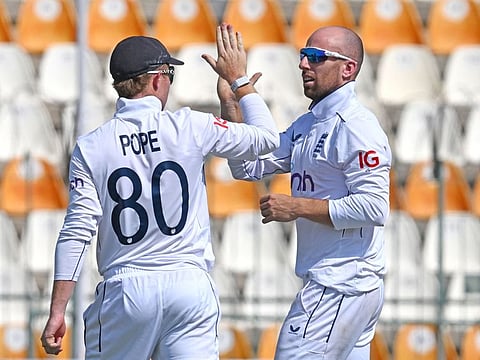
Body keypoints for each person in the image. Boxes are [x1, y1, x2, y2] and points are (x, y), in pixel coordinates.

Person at [40, 23, 279, 359]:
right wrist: (238, 84)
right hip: (188, 286)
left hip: (126, 290)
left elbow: (77, 232)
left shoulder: (91, 146)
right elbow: (266, 139)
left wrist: (57, 310)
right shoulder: (192, 125)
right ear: (156, 79)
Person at [223, 26, 392, 359]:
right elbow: (247, 167)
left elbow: (375, 208)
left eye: (316, 57)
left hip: (341, 284)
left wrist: (296, 206)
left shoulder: (356, 126)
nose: (303, 64)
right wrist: (231, 105)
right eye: (303, 55)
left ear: (348, 69)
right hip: (342, 285)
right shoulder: (308, 124)